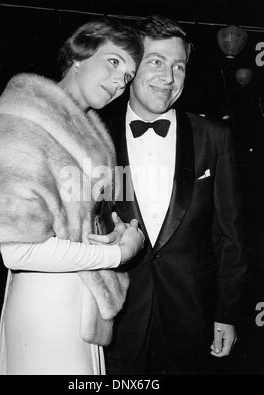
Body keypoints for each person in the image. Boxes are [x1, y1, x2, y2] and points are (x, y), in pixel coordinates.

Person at [0, 18, 145, 375]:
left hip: (84, 305)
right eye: (114, 62)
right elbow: (19, 251)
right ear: (80, 54)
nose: (119, 82)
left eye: (128, 76)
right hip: (46, 307)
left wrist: (113, 234)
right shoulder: (24, 115)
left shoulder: (96, 142)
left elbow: (85, 223)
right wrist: (117, 252)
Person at [93, 15, 246, 374]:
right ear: (130, 68)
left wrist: (227, 313)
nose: (168, 78)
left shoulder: (213, 137)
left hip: (191, 318)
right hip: (114, 319)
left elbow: (231, 235)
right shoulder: (95, 134)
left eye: (179, 66)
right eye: (156, 62)